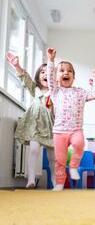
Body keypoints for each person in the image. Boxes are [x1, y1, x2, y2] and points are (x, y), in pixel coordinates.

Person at [47, 48, 95, 191]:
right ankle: (59, 183)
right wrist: (51, 61)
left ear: (73, 76)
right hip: (59, 131)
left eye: (69, 71)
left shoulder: (80, 92)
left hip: (76, 129)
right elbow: (50, 78)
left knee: (79, 145)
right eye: (62, 70)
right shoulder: (55, 91)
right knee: (60, 160)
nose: (66, 72)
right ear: (57, 77)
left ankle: (73, 167)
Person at [6, 52, 56, 189]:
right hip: (34, 125)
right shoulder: (36, 89)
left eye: (48, 72)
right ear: (38, 77)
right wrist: (17, 66)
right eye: (42, 72)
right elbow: (25, 78)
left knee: (52, 157)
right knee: (33, 150)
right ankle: (31, 178)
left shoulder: (56, 92)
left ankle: (54, 178)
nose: (46, 74)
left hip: (50, 127)